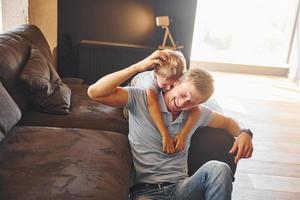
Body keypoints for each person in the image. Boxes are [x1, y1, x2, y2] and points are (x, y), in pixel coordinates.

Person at [87, 50, 253, 200]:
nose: (183, 103)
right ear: (177, 82)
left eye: (192, 102)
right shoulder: (140, 99)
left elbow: (228, 122)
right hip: (146, 192)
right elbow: (95, 92)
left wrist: (245, 133)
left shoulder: (197, 113)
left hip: (182, 188)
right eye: (184, 94)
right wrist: (137, 67)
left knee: (219, 168)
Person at [130, 49, 203, 154]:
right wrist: (165, 134)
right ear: (155, 73)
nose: (169, 88)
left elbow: (198, 109)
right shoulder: (148, 83)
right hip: (134, 90)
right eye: (164, 85)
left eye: (172, 85)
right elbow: (152, 104)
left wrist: (184, 134)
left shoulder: (179, 75)